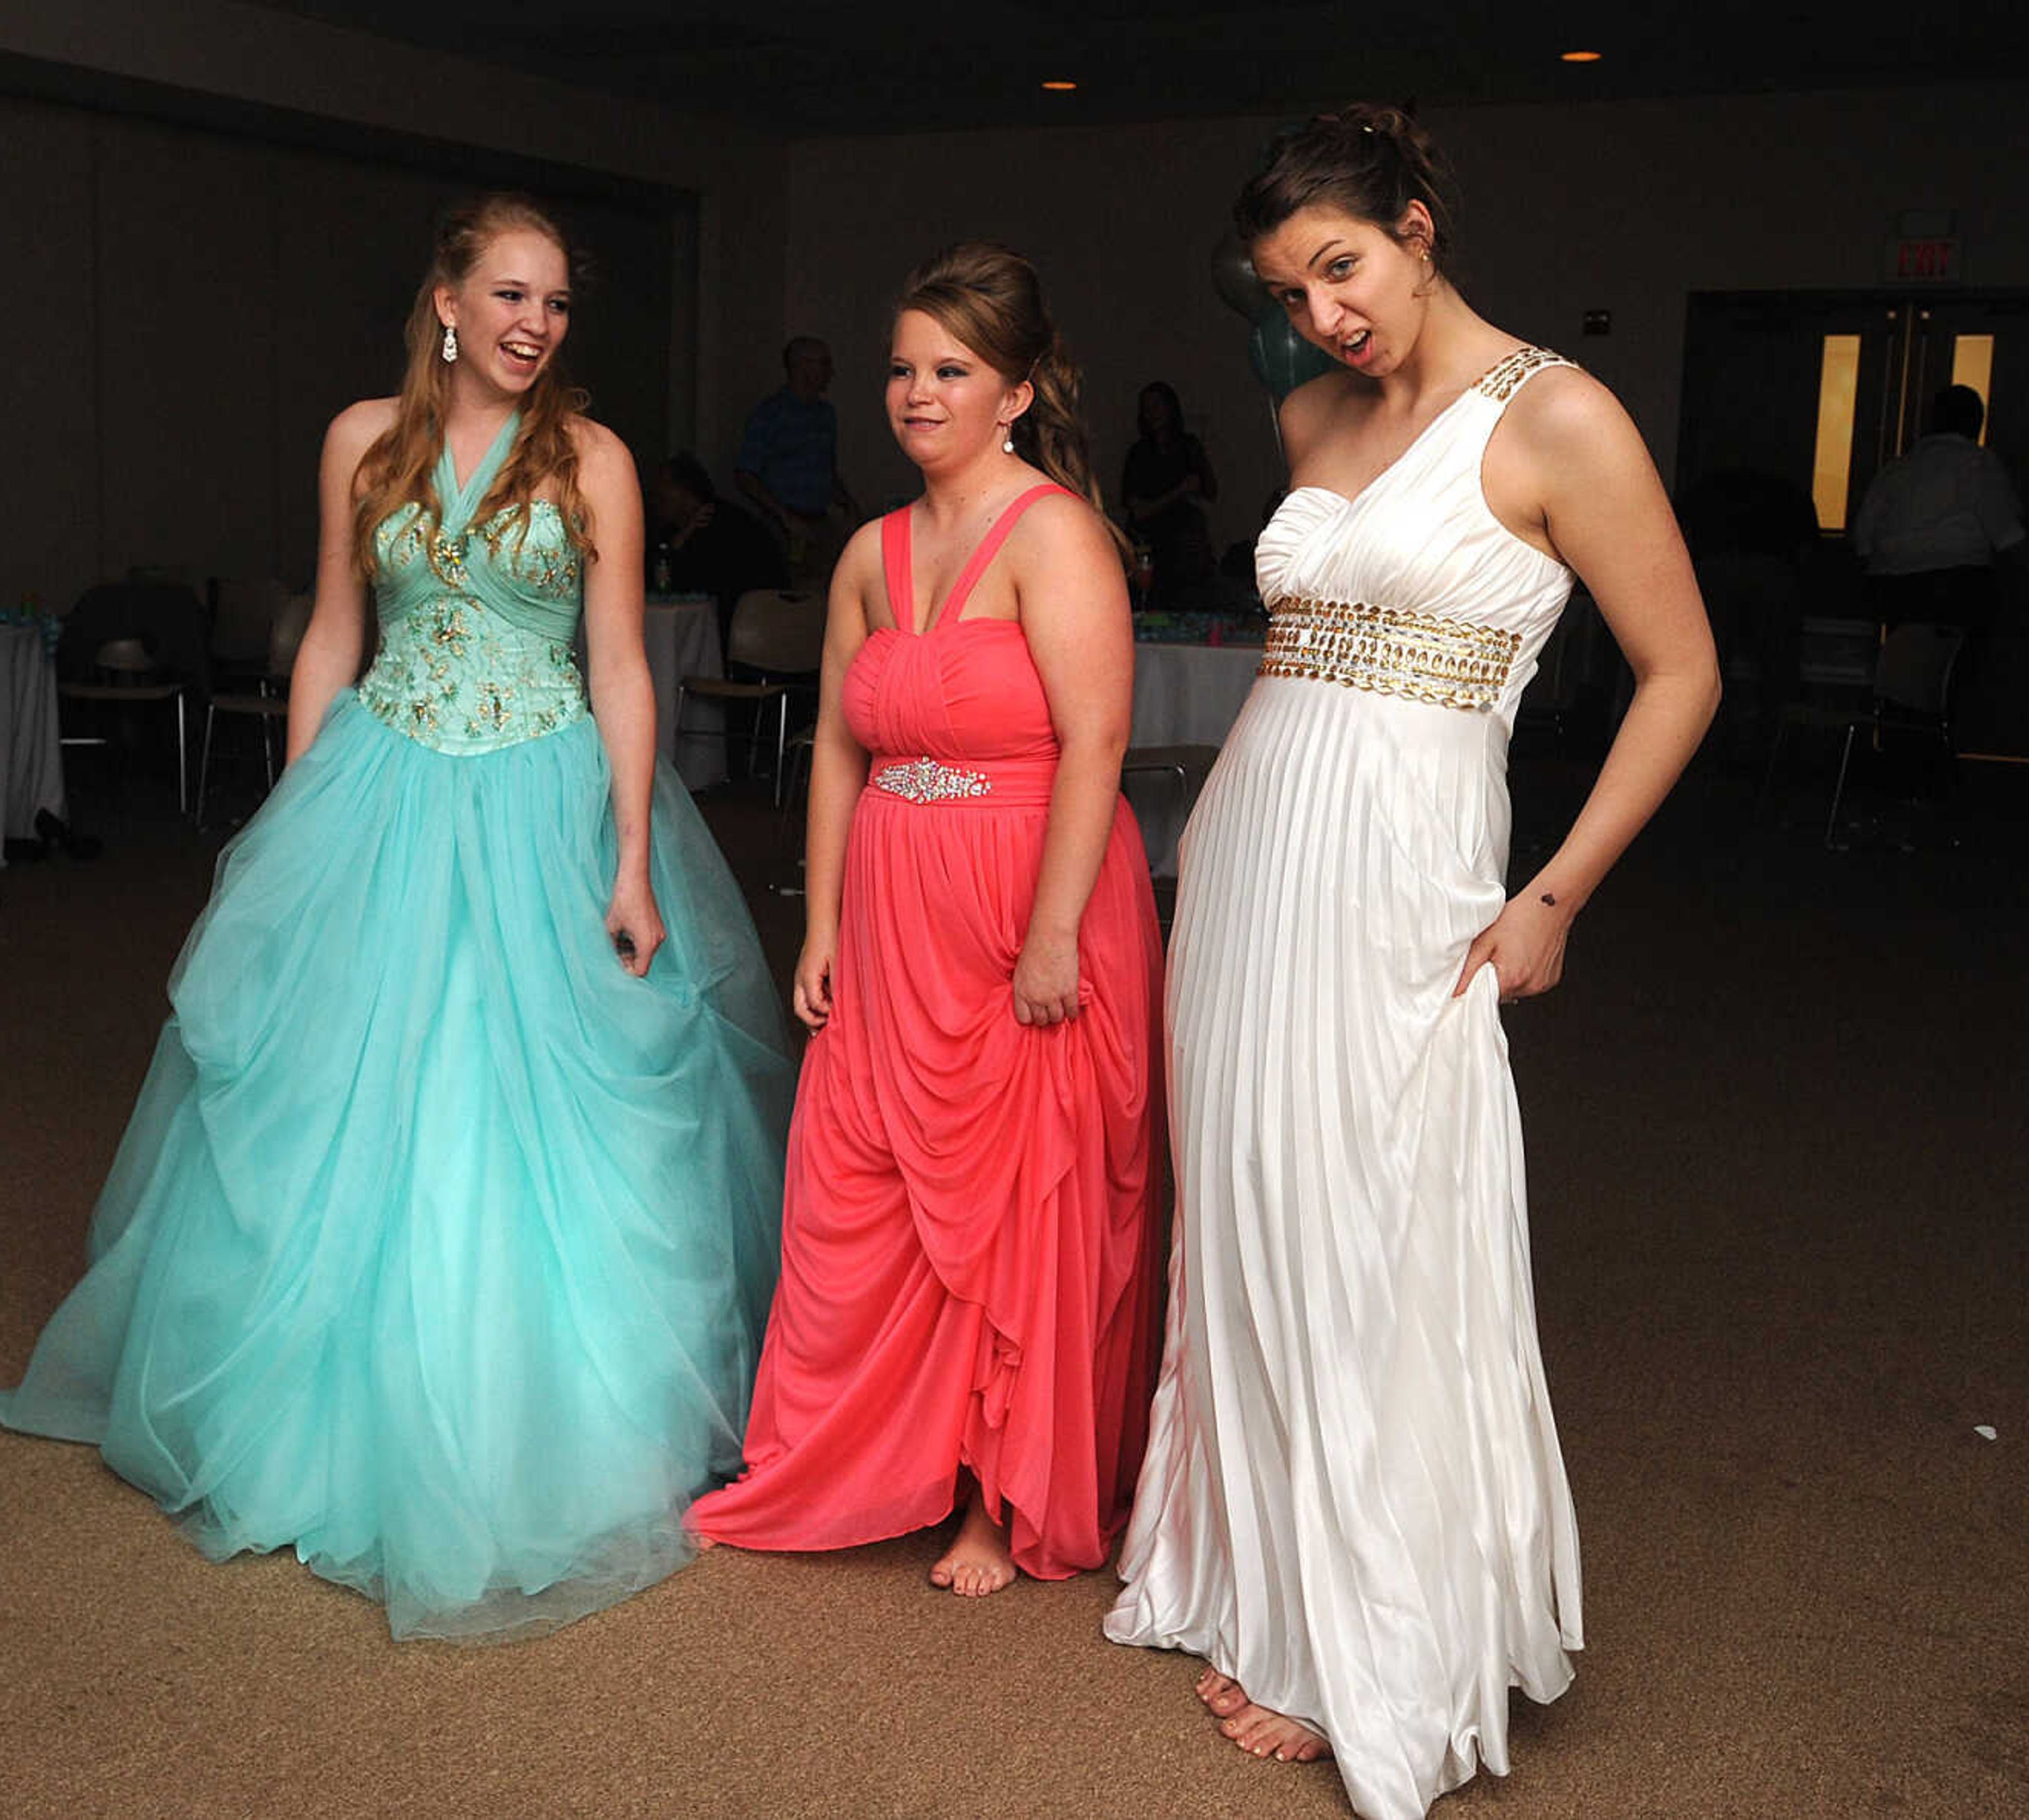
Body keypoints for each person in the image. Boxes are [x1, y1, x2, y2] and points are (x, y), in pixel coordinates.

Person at [0, 195, 795, 1641]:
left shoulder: (594, 458)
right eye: (509, 293)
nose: (533, 323)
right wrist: (300, 825)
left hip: (543, 801)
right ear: (447, 300)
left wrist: (628, 855)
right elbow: (334, 639)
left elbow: (619, 668)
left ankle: (530, 1434)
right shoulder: (363, 440)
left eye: (555, 302)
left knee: (523, 1099)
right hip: (386, 783)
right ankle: (308, 1416)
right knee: (350, 1095)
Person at [1104, 106, 1720, 1817]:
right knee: (1250, 1205)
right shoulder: (1309, 410)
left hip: (1408, 877)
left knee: (1379, 1226)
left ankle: (1366, 1631)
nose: (1326, 312)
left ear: (1421, 228)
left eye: (1344, 265)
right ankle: (1255, 1581)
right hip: (1247, 860)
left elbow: (1683, 673)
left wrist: (1559, 895)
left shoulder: (1559, 416)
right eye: (1295, 289)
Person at [689, 243, 1165, 1598]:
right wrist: (821, 918)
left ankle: (994, 1495)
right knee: (865, 1182)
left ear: (1013, 392)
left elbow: (1096, 738)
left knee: (1017, 1195)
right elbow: (838, 750)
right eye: (902, 368)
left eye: (950, 369)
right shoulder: (866, 551)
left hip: (1028, 893)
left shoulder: (1058, 533)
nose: (916, 391)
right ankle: (848, 1453)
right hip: (895, 898)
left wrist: (1060, 926)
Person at [1852, 383, 2029, 631]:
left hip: (1890, 587)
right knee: (1958, 657)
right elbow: (2007, 532)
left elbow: (1863, 537)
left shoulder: (1896, 468)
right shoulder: (1977, 464)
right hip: (1954, 585)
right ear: (1976, 424)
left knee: (1906, 658)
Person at [735, 336, 862, 583]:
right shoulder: (770, 415)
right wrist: (784, 516)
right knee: (787, 597)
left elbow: (825, 469)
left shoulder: (825, 415)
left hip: (820, 522)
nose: (831, 372)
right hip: (782, 528)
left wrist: (847, 504)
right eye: (824, 364)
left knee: (824, 595)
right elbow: (745, 475)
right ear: (802, 366)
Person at [646, 452, 788, 650]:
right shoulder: (672, 532)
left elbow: (683, 586)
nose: (655, 498)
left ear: (685, 491)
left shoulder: (727, 528)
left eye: (662, 493)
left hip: (748, 638)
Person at [1119, 381, 1220, 612]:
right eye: (1147, 408)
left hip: (1185, 549)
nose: (1152, 413)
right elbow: (1139, 511)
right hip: (1150, 547)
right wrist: (1179, 492)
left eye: (1157, 406)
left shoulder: (1188, 446)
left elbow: (1210, 492)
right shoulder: (1139, 454)